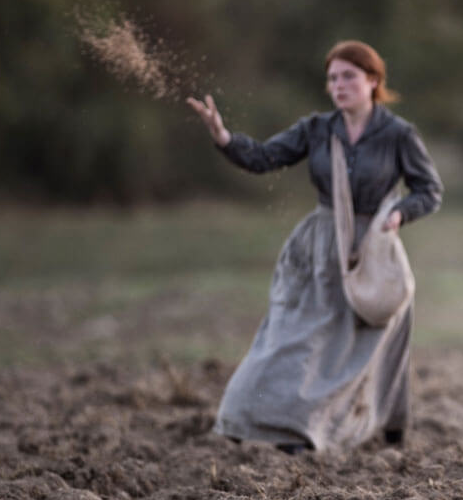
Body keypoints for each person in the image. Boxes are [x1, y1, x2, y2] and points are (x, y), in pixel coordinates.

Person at [186, 40, 443, 454]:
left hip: (372, 253)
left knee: (369, 346)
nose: (338, 85)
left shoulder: (398, 135)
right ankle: (262, 420)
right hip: (320, 250)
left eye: (348, 76)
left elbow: (429, 191)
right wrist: (223, 136)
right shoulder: (317, 129)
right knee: (293, 338)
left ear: (373, 81)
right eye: (333, 78)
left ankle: (373, 431)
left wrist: (399, 214)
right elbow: (263, 158)